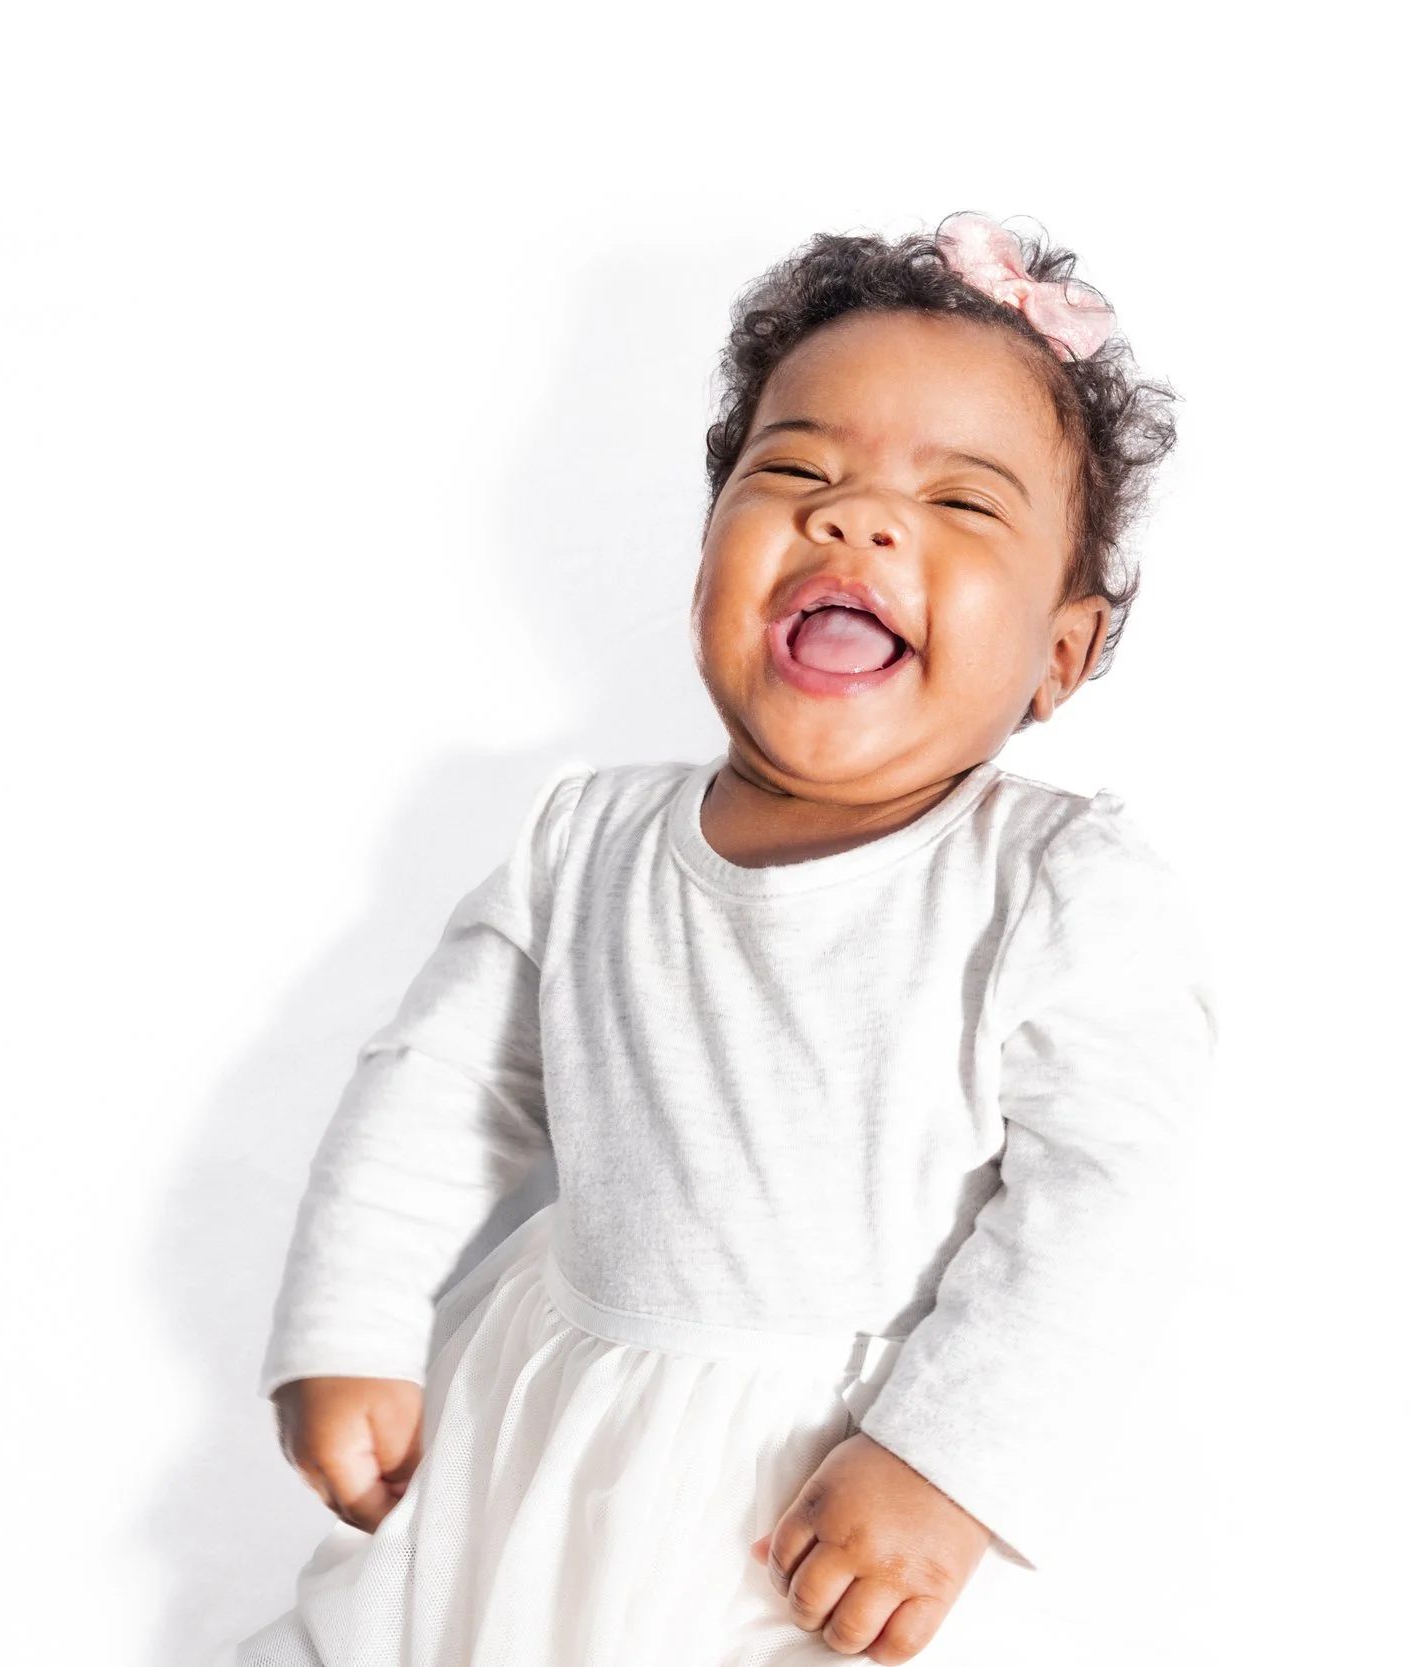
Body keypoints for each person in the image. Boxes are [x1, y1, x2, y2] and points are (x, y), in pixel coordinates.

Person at [234, 212, 1215, 1666]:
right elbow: (436, 1086)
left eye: (959, 504)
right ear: (709, 548)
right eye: (800, 471)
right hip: (544, 1424)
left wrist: (945, 1463)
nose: (860, 518)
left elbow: (1111, 1206)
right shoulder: (584, 841)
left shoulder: (1053, 886)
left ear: (1057, 657)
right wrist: (350, 1321)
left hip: (826, 1483)